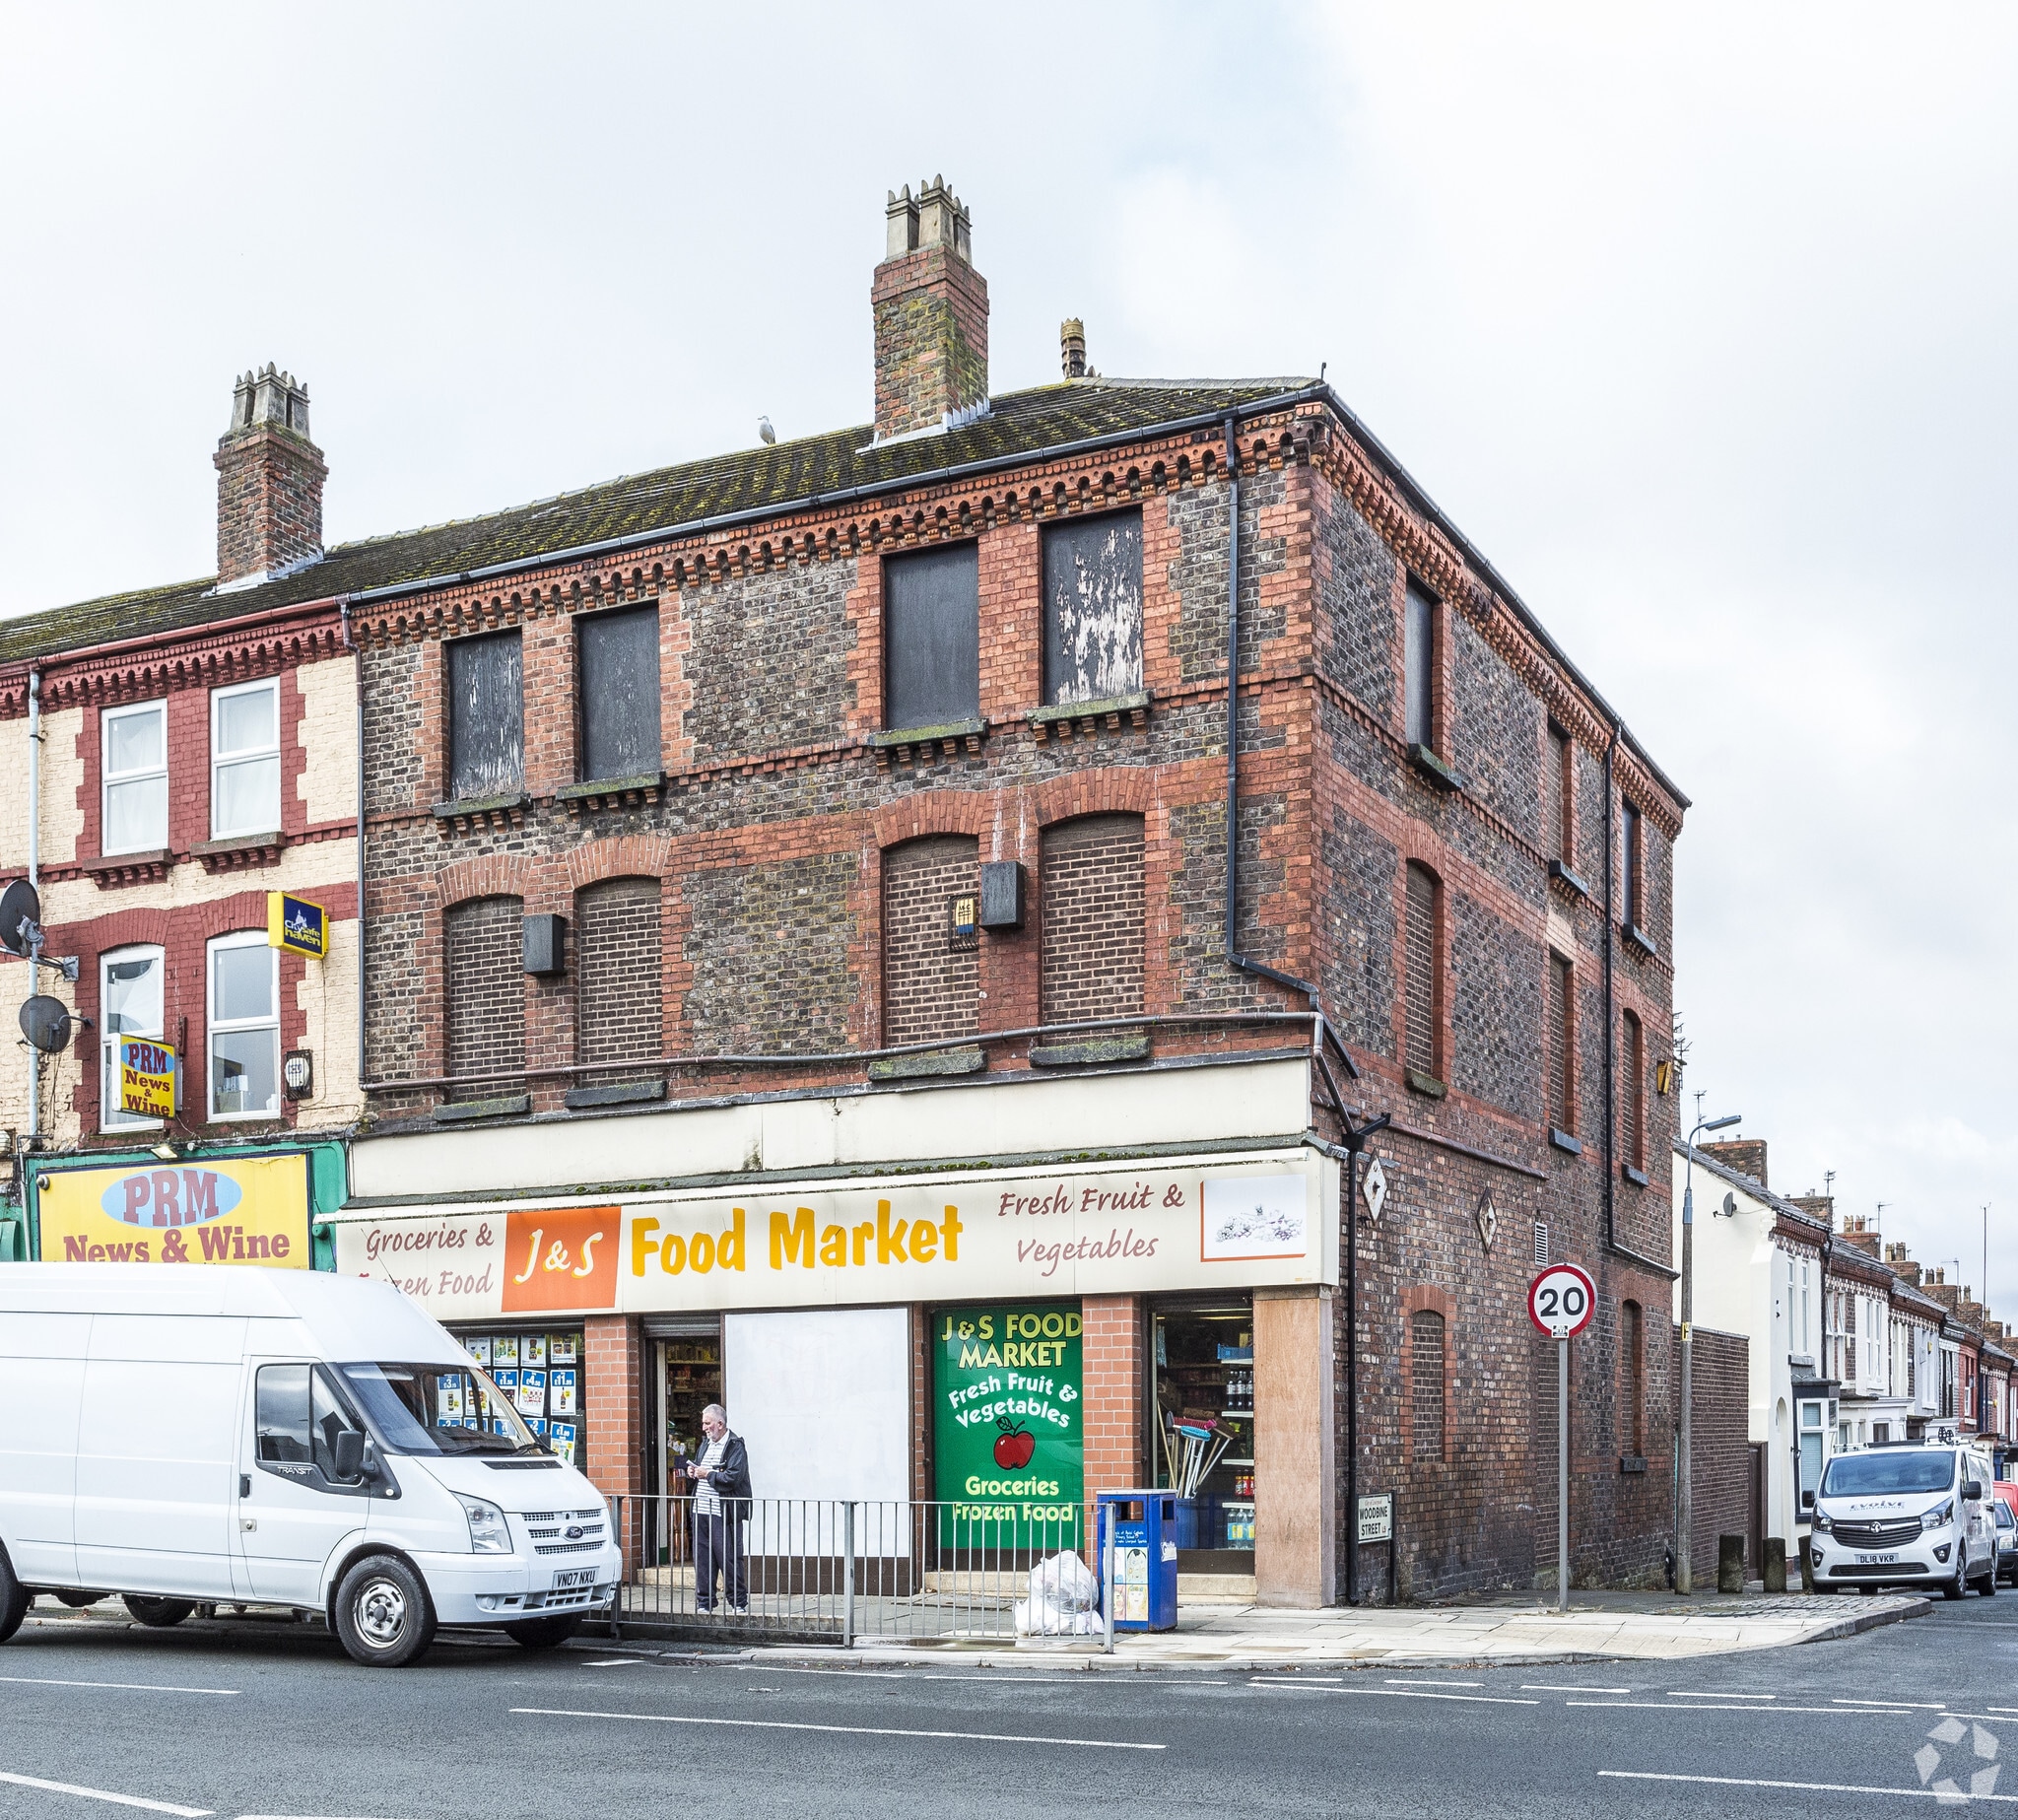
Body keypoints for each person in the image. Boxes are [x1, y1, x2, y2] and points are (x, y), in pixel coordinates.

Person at [684, 1403, 751, 1614]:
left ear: (720, 1424)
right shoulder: (706, 1444)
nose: (704, 1427)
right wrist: (693, 1472)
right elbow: (700, 1468)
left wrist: (707, 1475)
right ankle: (704, 1603)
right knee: (702, 1559)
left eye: (707, 1423)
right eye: (703, 1423)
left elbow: (733, 1477)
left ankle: (738, 1603)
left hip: (724, 1512)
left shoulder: (735, 1446)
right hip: (701, 1510)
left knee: (729, 1558)